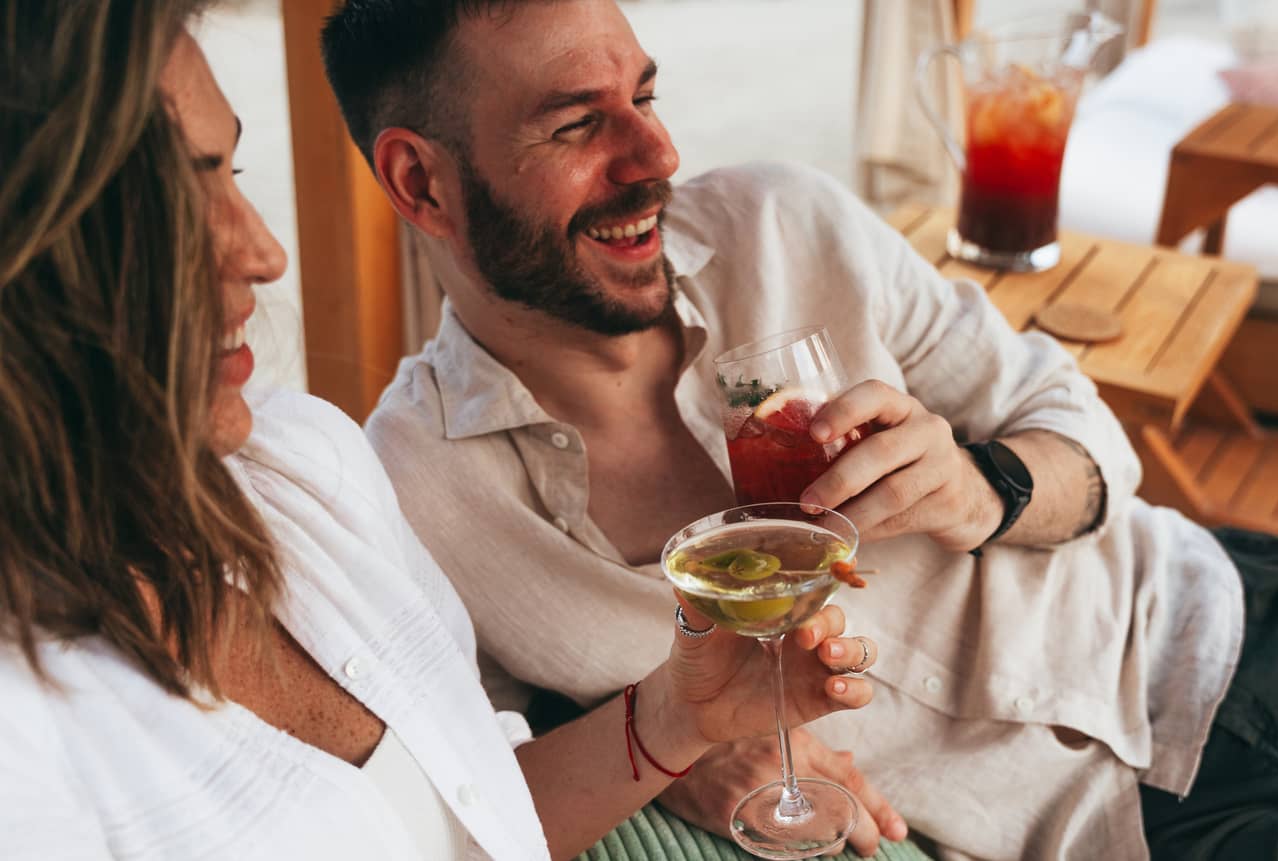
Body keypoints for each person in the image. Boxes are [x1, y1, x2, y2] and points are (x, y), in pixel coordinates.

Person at [332, 0, 1278, 858]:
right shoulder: (410, 494)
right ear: (421, 183)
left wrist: (984, 483)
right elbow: (476, 796)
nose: (657, 156)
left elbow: (1077, 430)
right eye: (576, 124)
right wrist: (683, 762)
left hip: (1233, 621)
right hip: (1091, 830)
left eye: (645, 95)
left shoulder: (785, 224)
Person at [0, 3, 883, 859]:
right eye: (169, 201)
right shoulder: (24, 737)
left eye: (231, 175)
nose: (263, 252)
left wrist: (674, 719)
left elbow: (475, 804)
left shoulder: (304, 462)